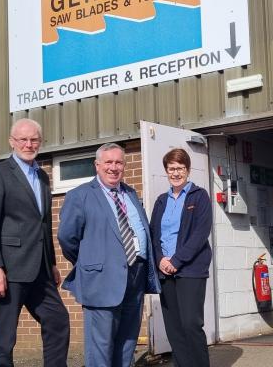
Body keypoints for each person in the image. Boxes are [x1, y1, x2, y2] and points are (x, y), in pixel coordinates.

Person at [58, 143, 160, 367]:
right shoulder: (80, 195)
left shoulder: (131, 194)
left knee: (127, 344)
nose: (114, 167)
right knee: (100, 349)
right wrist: (91, 262)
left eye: (119, 162)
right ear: (97, 165)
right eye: (108, 162)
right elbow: (67, 238)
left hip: (135, 277)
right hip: (101, 280)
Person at [0, 118, 70, 367]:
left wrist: (51, 262)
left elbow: (44, 222)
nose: (29, 144)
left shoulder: (42, 176)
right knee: (3, 335)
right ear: (12, 142)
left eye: (34, 140)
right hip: (10, 267)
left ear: (40, 142)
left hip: (40, 267)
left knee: (58, 319)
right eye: (23, 139)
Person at [149, 148, 213, 367]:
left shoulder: (199, 196)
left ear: (188, 170)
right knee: (174, 328)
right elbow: (153, 234)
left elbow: (200, 233)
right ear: (166, 171)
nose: (176, 173)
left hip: (191, 270)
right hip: (165, 270)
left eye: (180, 168)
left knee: (190, 324)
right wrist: (160, 260)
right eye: (171, 168)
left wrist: (176, 261)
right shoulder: (161, 201)